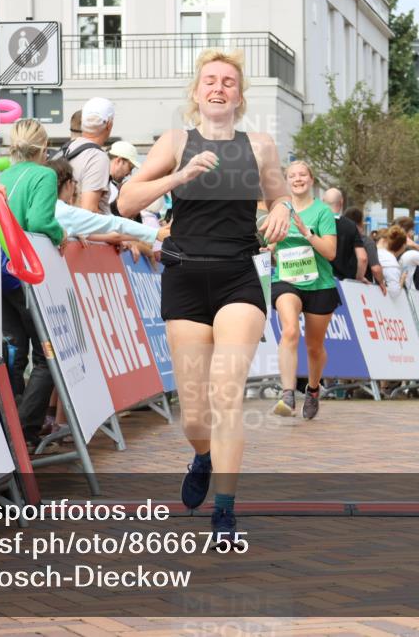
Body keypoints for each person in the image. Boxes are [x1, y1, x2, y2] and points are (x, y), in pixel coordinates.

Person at [116, 49, 291, 542]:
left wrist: (280, 212)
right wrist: (181, 175)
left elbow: (279, 196)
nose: (218, 88)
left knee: (226, 395)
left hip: (238, 276)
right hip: (185, 277)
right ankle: (203, 456)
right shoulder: (176, 141)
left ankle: (225, 510)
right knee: (195, 410)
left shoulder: (259, 145)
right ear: (196, 93)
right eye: (210, 80)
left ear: (239, 95)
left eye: (229, 82)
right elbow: (127, 200)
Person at [0, 119, 65, 445]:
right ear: (44, 146)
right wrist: (61, 235)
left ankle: (9, 423)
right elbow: (39, 221)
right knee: (46, 355)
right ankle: (24, 428)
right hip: (24, 269)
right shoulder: (45, 175)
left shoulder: (2, 175)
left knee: (14, 351)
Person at [270, 162, 338, 420]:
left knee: (314, 347)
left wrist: (306, 233)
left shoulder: (322, 212)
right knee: (289, 330)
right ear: (287, 181)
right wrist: (271, 249)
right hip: (286, 280)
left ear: (311, 180)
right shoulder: (281, 209)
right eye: (292, 176)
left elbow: (330, 252)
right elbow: (272, 242)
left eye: (302, 175)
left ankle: (312, 389)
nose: (297, 179)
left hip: (319, 284)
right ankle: (287, 394)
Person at [62, 97, 115, 215]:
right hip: (86, 231)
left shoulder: (67, 148)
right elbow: (89, 211)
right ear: (109, 124)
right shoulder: (97, 157)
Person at [321, 188, 366, 283]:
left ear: (323, 201)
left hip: (321, 281)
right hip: (345, 283)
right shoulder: (351, 225)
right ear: (341, 202)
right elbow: (362, 258)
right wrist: (359, 277)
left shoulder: (316, 223)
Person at [106, 140, 141, 215]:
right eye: (130, 168)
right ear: (119, 161)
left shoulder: (101, 180)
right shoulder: (107, 186)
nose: (130, 173)